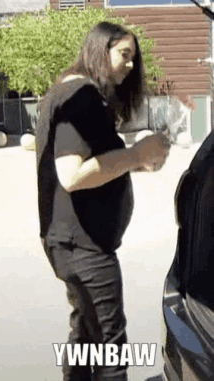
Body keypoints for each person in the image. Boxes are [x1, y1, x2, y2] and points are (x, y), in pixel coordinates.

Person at [36, 21, 170, 381]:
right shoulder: (81, 95)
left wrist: (139, 162)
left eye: (133, 58)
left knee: (84, 337)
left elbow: (92, 168)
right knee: (110, 347)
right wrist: (137, 152)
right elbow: (71, 174)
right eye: (124, 55)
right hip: (85, 247)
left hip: (71, 242)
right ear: (100, 49)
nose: (130, 65)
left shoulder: (68, 93)